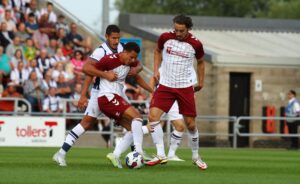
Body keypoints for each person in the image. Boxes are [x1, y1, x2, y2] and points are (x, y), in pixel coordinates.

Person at [52, 25, 141, 166]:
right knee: (86, 123)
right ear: (106, 37)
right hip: (100, 92)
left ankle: (136, 156)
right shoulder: (100, 51)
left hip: (117, 91)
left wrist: (135, 69)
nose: (116, 41)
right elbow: (88, 69)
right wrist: (83, 95)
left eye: (118, 38)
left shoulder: (123, 48)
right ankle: (61, 154)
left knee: (132, 124)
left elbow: (138, 64)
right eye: (113, 38)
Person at [145, 14, 207, 170]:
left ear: (188, 29)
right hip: (165, 85)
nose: (178, 33)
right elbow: (157, 51)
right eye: (176, 30)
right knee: (153, 117)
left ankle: (195, 156)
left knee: (190, 125)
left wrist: (201, 82)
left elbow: (200, 62)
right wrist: (155, 71)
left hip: (185, 87)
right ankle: (161, 154)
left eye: (182, 31)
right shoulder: (165, 37)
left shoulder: (196, 44)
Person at [85, 42, 153, 168]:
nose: (133, 60)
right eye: (131, 57)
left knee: (133, 129)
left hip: (115, 97)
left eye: (134, 58)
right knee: (137, 117)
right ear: (124, 52)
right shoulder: (109, 60)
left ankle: (115, 155)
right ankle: (139, 152)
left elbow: (138, 75)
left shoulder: (130, 62)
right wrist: (104, 75)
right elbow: (88, 69)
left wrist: (152, 90)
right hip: (107, 97)